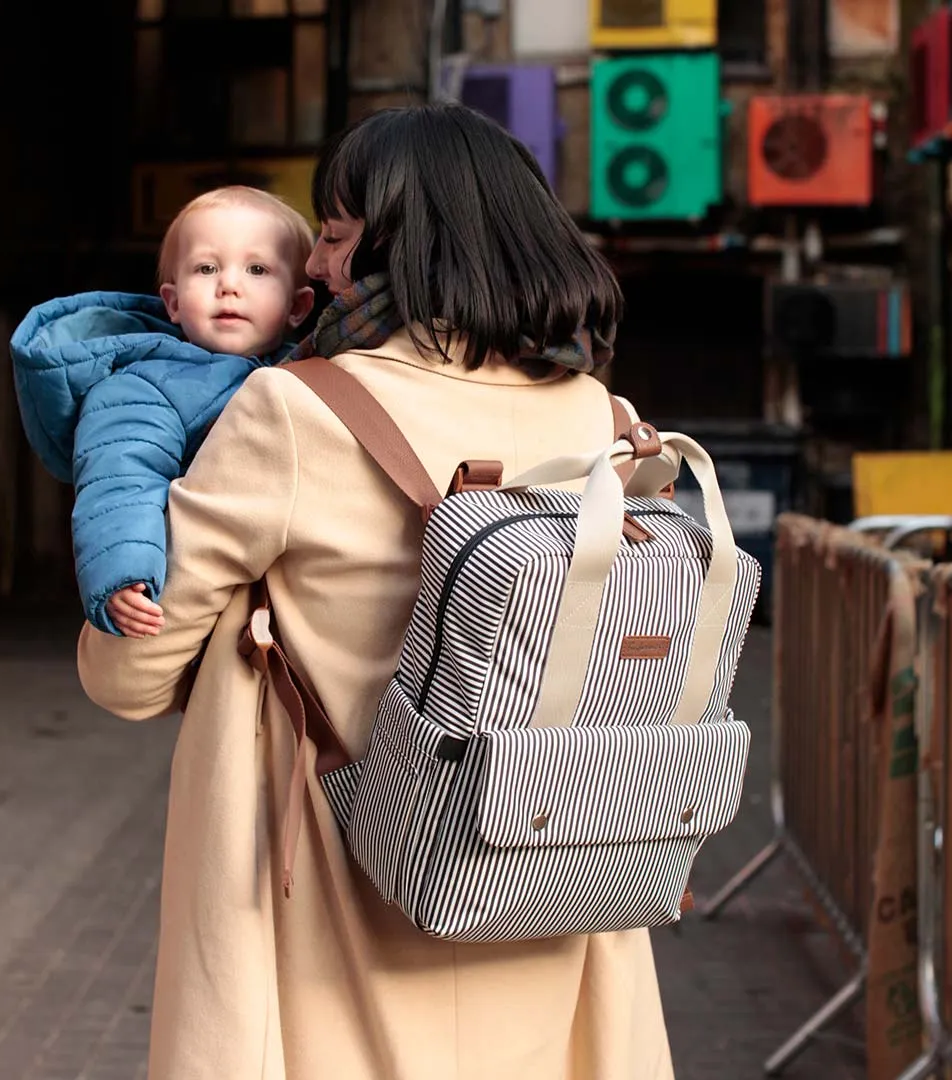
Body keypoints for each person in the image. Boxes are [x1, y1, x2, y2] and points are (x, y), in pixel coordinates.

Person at [77, 103, 676, 1079]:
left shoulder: (294, 410)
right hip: (552, 873)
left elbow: (129, 678)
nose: (315, 264)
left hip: (338, 905)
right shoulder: (602, 417)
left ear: (407, 246)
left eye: (338, 233)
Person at [10, 186, 315, 636]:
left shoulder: (310, 372)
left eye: (257, 269)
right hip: (198, 593)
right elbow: (120, 479)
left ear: (298, 305)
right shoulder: (145, 384)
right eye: (207, 267)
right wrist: (124, 574)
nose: (229, 284)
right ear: (172, 301)